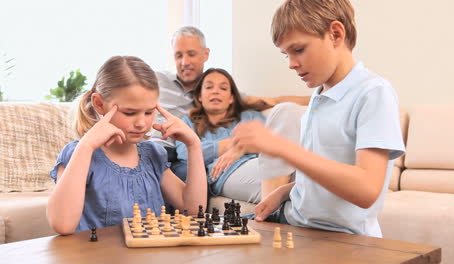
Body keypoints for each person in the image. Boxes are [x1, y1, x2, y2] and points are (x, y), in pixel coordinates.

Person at [232, 0, 405, 237]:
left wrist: (282, 148)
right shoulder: (320, 95)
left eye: (299, 50)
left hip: (341, 237)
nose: (292, 64)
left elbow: (366, 189)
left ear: (335, 34)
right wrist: (284, 191)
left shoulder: (373, 93)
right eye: (286, 55)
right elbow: (327, 171)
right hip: (295, 221)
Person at [46, 56, 206, 234]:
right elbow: (62, 225)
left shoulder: (152, 154)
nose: (141, 123)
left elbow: (194, 210)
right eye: (130, 113)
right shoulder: (78, 154)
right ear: (99, 104)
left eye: (149, 112)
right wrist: (86, 146)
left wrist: (194, 145)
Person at [151, 26, 310, 163]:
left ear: (205, 54)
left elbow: (272, 101)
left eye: (191, 54)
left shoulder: (215, 92)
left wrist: (317, 97)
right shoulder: (158, 80)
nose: (185, 62)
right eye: (179, 55)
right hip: (158, 148)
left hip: (186, 156)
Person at [174, 68, 265, 203]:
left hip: (263, 162)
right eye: (209, 87)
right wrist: (232, 144)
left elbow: (273, 141)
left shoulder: (250, 116)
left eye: (223, 88)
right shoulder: (188, 122)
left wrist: (239, 148)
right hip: (226, 172)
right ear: (199, 96)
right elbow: (184, 153)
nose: (215, 91)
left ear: (231, 98)